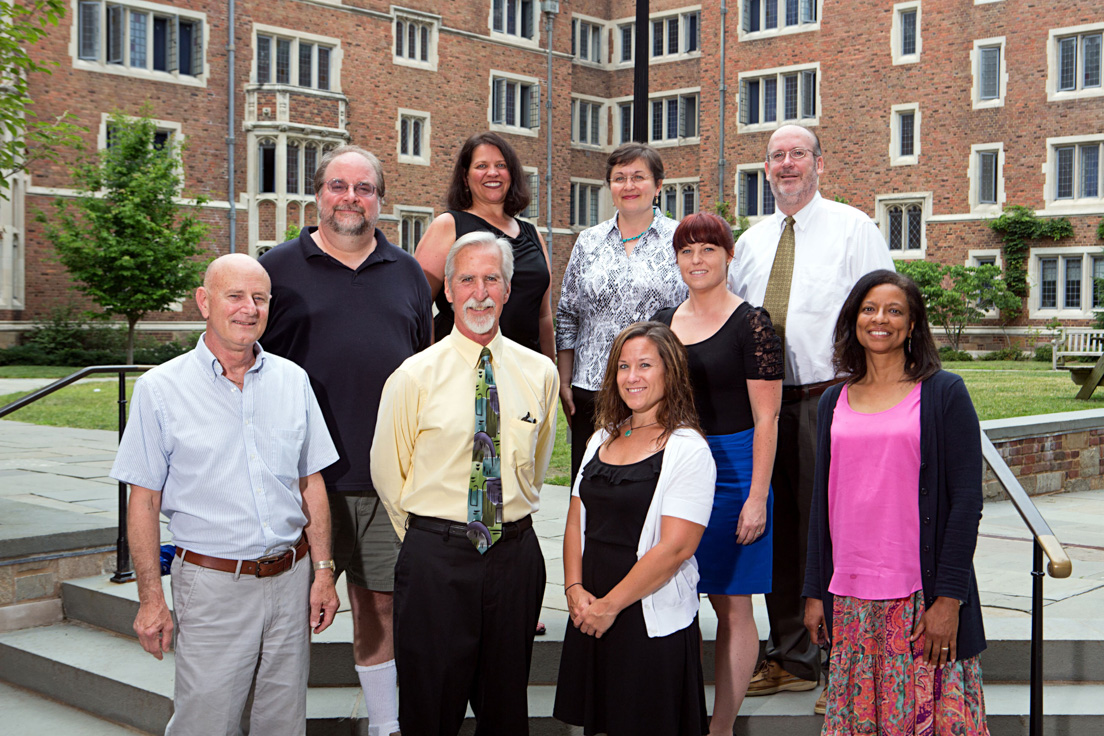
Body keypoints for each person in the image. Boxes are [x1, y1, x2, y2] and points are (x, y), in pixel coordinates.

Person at [111, 254, 340, 736]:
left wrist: (323, 572)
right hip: (213, 586)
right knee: (205, 724)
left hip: (291, 578)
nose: (249, 308)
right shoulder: (161, 389)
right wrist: (151, 597)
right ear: (204, 302)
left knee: (283, 722)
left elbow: (310, 482)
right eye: (234, 295)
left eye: (259, 298)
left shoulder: (292, 381)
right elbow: (144, 501)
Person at [261, 145, 431, 736]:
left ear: (381, 199)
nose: (350, 198)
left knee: (377, 605)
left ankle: (385, 725)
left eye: (364, 188)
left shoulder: (408, 272)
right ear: (318, 194)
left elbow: (423, 373)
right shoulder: (276, 270)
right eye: (338, 186)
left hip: (385, 480)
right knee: (280, 612)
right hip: (296, 478)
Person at [727, 124, 895, 705]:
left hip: (833, 400)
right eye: (777, 156)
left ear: (819, 164)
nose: (788, 164)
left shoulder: (854, 228)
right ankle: (794, 656)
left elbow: (886, 309)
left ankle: (843, 663)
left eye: (799, 154)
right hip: (766, 407)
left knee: (836, 528)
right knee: (778, 528)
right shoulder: (751, 242)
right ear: (766, 169)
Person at [371, 231, 559, 735]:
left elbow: (536, 464)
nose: (480, 292)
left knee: (505, 713)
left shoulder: (540, 373)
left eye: (491, 279)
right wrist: (435, 536)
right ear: (448, 291)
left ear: (508, 289)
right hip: (436, 560)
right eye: (467, 279)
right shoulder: (412, 376)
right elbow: (389, 472)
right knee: (430, 710)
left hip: (514, 558)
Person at [803, 270, 990, 733]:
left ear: (911, 325)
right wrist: (813, 591)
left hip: (918, 595)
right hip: (849, 595)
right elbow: (821, 502)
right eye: (869, 309)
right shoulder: (833, 400)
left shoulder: (944, 393)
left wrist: (949, 599)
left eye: (894, 310)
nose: (879, 319)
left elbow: (967, 501)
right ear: (854, 319)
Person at [652, 212, 783, 735]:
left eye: (708, 249)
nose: (697, 260)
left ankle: (721, 726)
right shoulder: (663, 321)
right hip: (678, 468)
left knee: (733, 605)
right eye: (687, 251)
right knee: (668, 594)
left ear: (729, 257)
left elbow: (767, 417)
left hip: (736, 471)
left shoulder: (752, 322)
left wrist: (757, 497)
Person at [553, 321, 716, 736]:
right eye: (623, 366)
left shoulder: (688, 449)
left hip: (645, 614)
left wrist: (610, 606)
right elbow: (576, 521)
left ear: (670, 371)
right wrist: (574, 590)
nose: (632, 377)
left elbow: (676, 549)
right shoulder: (601, 439)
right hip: (591, 608)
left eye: (645, 365)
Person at [556, 142, 687, 485]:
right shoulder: (588, 242)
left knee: (647, 488)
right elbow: (568, 314)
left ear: (658, 185)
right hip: (592, 387)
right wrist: (566, 381)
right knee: (590, 487)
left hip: (656, 389)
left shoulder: (681, 239)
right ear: (610, 187)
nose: (629, 186)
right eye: (619, 178)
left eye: (638, 177)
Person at [415, 131, 554, 359]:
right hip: (464, 369)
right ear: (465, 176)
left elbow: (544, 316)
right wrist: (430, 366)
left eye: (501, 165)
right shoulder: (448, 226)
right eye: (481, 165)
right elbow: (417, 307)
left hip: (523, 372)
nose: (493, 172)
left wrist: (552, 377)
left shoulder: (532, 234)